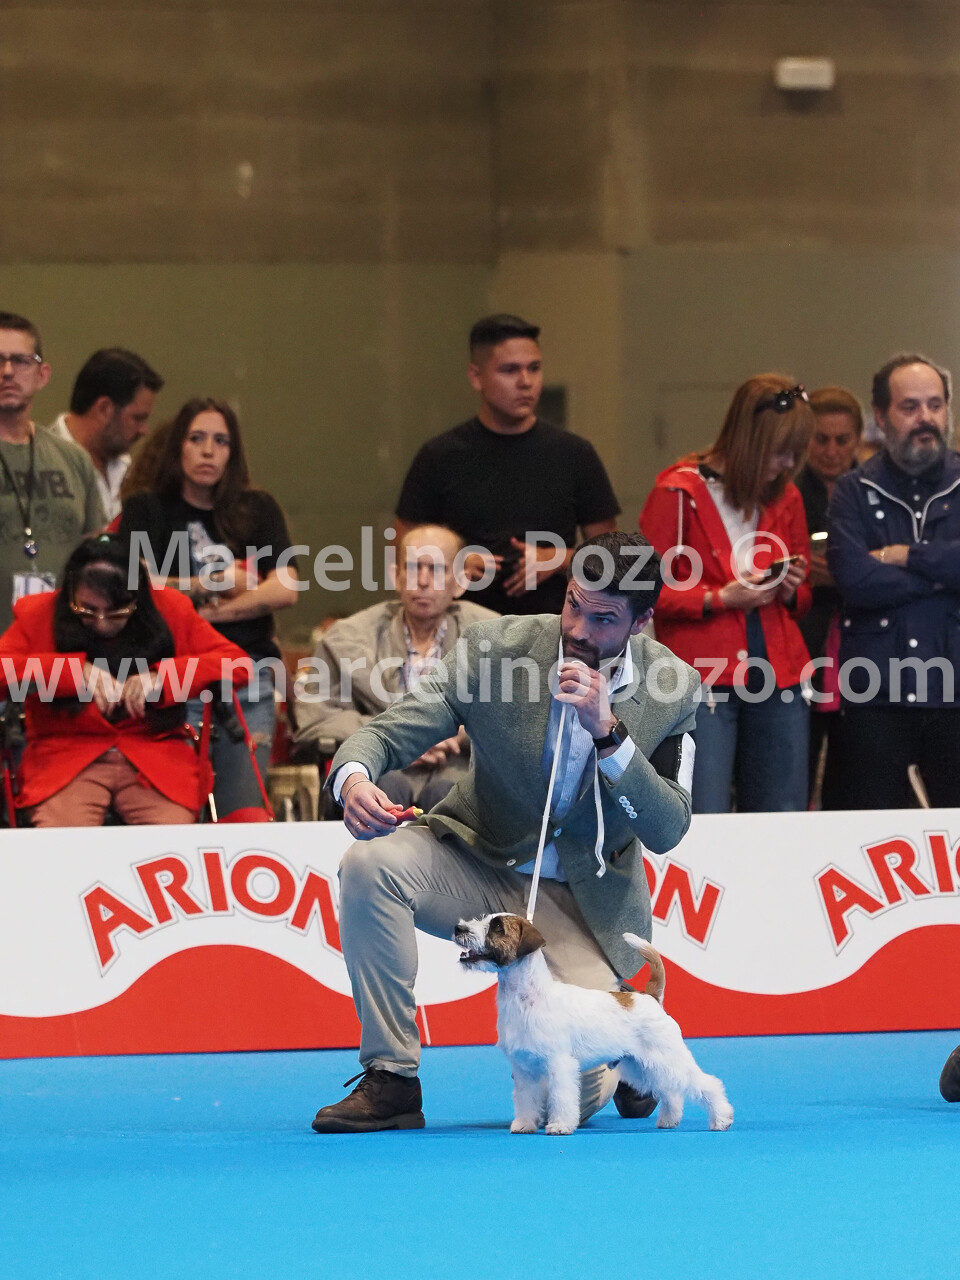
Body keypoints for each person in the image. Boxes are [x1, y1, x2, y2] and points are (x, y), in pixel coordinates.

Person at [310, 531, 699, 1133]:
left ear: (641, 622)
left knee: (569, 1097)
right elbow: (389, 731)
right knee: (368, 865)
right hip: (481, 862)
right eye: (573, 604)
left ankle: (625, 1056)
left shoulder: (673, 686)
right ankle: (391, 1076)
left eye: (603, 619)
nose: (578, 629)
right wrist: (353, 777)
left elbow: (669, 826)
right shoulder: (494, 649)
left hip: (583, 901)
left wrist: (610, 734)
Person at [639, 374, 813, 813]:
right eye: (780, 451)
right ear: (749, 439)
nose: (788, 463)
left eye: (795, 453)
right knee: (703, 813)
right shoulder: (677, 493)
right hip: (703, 677)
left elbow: (804, 599)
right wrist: (719, 599)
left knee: (782, 816)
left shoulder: (787, 496)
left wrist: (790, 588)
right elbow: (643, 590)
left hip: (780, 672)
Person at [118, 398, 299, 816]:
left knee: (243, 814)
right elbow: (135, 586)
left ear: (232, 452)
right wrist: (212, 585)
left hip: (246, 675)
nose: (207, 451)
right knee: (174, 813)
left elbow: (286, 587)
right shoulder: (147, 509)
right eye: (196, 439)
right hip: (172, 677)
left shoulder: (256, 509)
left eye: (220, 441)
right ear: (177, 447)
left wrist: (203, 613)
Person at [0, 534, 249, 826]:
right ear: (70, 594)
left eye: (117, 612)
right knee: (65, 846)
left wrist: (163, 677)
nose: (102, 622)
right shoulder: (39, 612)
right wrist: (68, 672)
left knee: (170, 847)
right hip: (65, 756)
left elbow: (238, 664)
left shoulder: (169, 608)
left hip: (154, 757)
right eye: (87, 610)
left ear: (138, 597)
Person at [394, 314, 620, 616]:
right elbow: (403, 550)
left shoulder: (574, 454)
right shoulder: (440, 456)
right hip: (461, 627)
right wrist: (453, 562)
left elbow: (610, 556)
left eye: (534, 368)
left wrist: (558, 559)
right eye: (509, 370)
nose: (526, 382)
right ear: (476, 377)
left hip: (553, 625)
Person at [826, 353, 960, 809]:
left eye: (936, 405)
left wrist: (906, 556)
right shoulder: (853, 490)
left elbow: (876, 575)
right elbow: (856, 580)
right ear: (880, 417)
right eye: (910, 407)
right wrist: (944, 574)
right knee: (874, 832)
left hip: (955, 690)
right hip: (877, 693)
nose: (926, 418)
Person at [291, 524, 497, 811]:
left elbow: (519, 716)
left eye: (436, 569)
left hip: (460, 765)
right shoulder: (348, 637)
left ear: (460, 581)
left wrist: (460, 733)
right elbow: (314, 716)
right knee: (383, 788)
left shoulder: (494, 635)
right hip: (382, 765)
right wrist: (394, 737)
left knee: (451, 795)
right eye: (412, 568)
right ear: (396, 576)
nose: (422, 581)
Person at [0, 311, 105, 632]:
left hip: (64, 641)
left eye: (21, 361)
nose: (7, 371)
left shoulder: (73, 459)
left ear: (42, 375)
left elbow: (95, 553)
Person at [794, 387, 864, 805]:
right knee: (796, 766)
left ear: (859, 439)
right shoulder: (786, 491)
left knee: (853, 771)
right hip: (804, 635)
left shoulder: (874, 490)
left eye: (842, 440)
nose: (832, 451)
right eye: (821, 439)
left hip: (862, 639)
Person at [49, 348, 163, 521]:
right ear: (104, 409)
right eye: (137, 418)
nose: (144, 430)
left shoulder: (131, 471)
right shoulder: (39, 465)